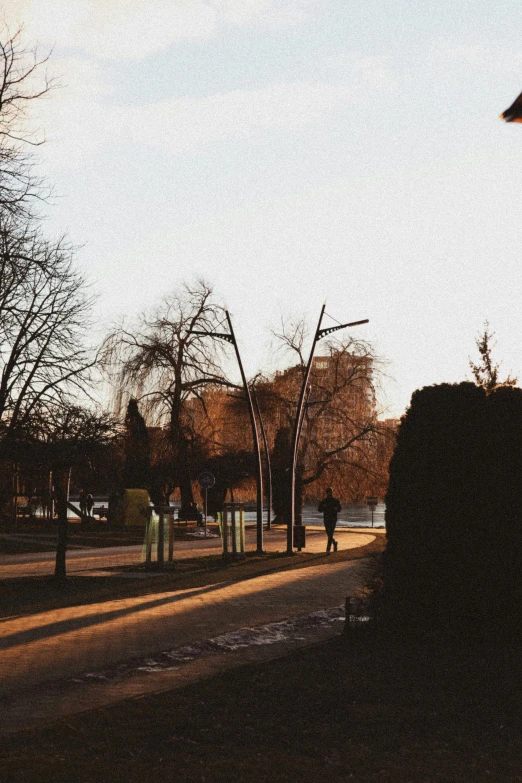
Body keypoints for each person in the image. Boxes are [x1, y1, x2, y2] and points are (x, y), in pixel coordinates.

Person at [318, 487, 341, 553]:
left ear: (331, 492)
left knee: (330, 533)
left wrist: (336, 509)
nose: (328, 493)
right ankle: (334, 543)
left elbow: (339, 508)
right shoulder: (324, 501)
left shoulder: (335, 501)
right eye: (327, 492)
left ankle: (328, 549)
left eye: (329, 492)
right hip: (326, 519)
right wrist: (323, 507)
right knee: (328, 533)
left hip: (333, 519)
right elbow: (319, 509)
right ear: (326, 493)